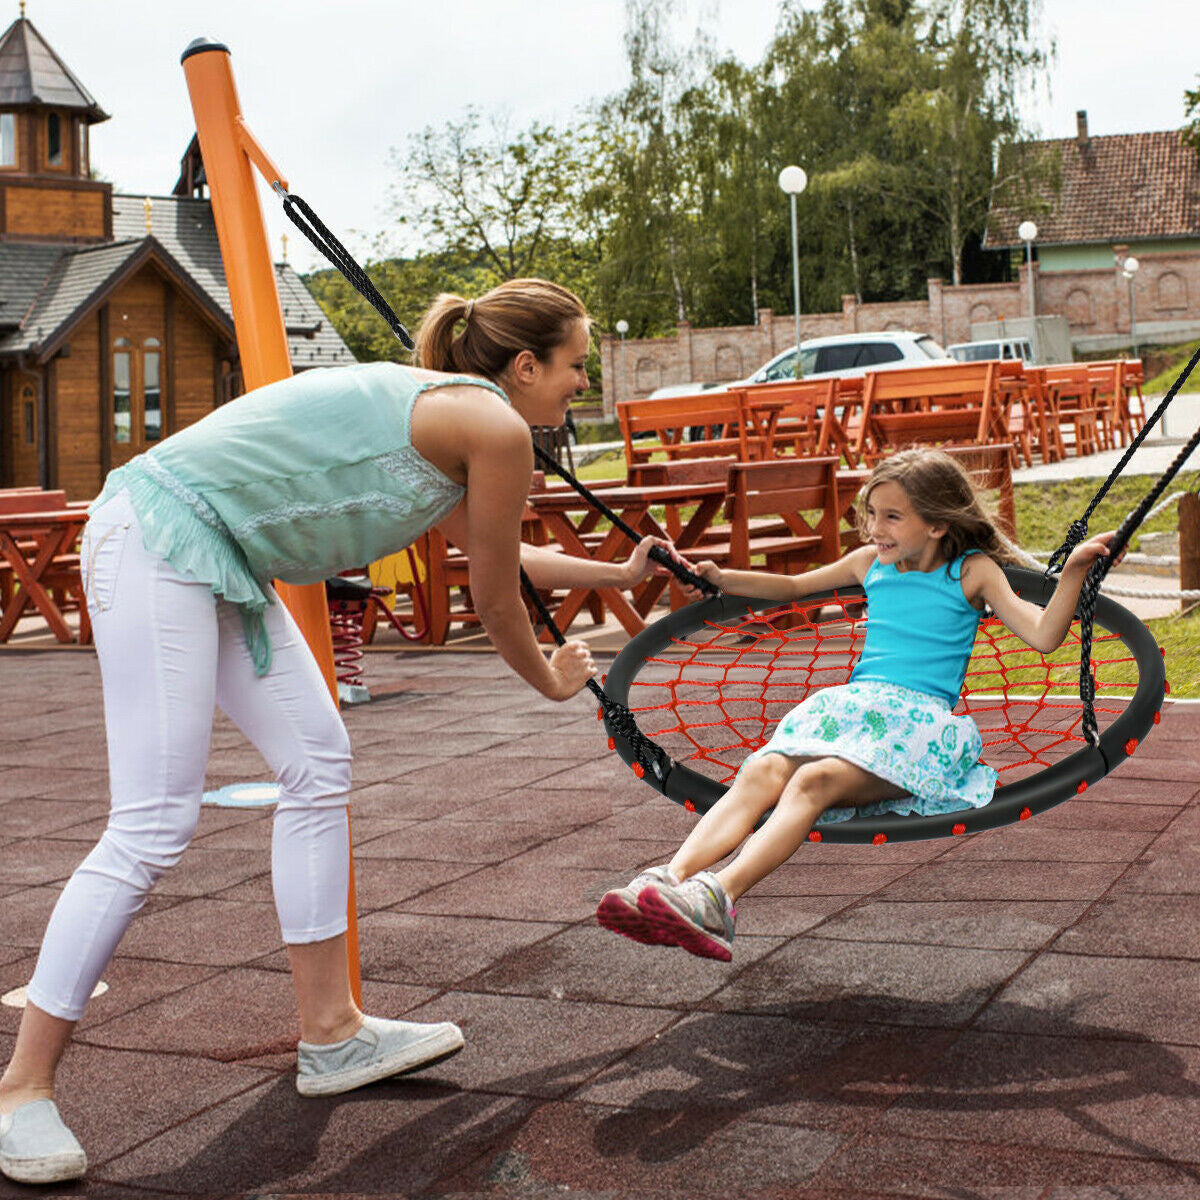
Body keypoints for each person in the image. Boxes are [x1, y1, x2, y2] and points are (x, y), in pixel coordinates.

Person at [0, 278, 683, 1185]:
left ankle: (331, 1033)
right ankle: (20, 1087)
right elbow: (491, 598)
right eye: (575, 366)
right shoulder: (496, 427)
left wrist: (615, 570)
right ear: (526, 366)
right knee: (155, 821)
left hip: (220, 553)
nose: (580, 385)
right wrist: (550, 680)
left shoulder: (459, 418)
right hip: (159, 536)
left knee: (319, 764)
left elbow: (496, 552)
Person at [596, 447, 1119, 963]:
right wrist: (721, 579)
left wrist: (1072, 572)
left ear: (937, 525)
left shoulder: (971, 571)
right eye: (871, 513)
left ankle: (719, 898)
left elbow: (1044, 635)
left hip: (918, 732)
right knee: (763, 768)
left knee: (810, 781)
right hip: (855, 714)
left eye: (892, 517)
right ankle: (671, 878)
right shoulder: (870, 563)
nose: (875, 528)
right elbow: (793, 587)